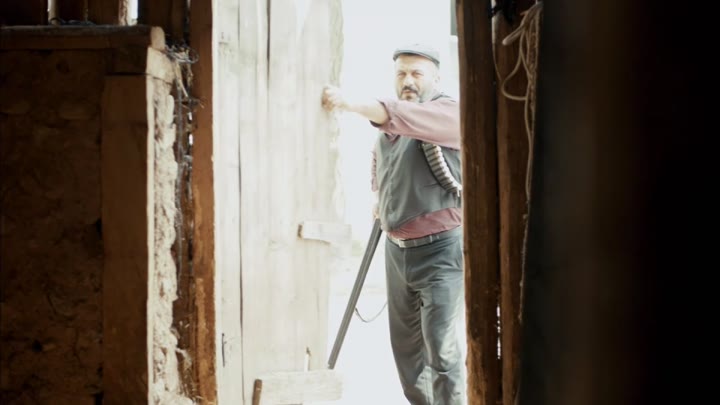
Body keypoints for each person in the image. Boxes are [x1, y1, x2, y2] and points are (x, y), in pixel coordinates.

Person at [322, 44, 465, 405]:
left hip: (441, 250)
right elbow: (379, 160)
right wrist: (378, 196)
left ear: (436, 78)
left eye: (417, 73)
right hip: (397, 252)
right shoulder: (393, 126)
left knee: (442, 351)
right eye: (401, 73)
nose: (408, 81)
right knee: (408, 356)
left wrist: (348, 103)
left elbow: (391, 113)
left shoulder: (446, 112)